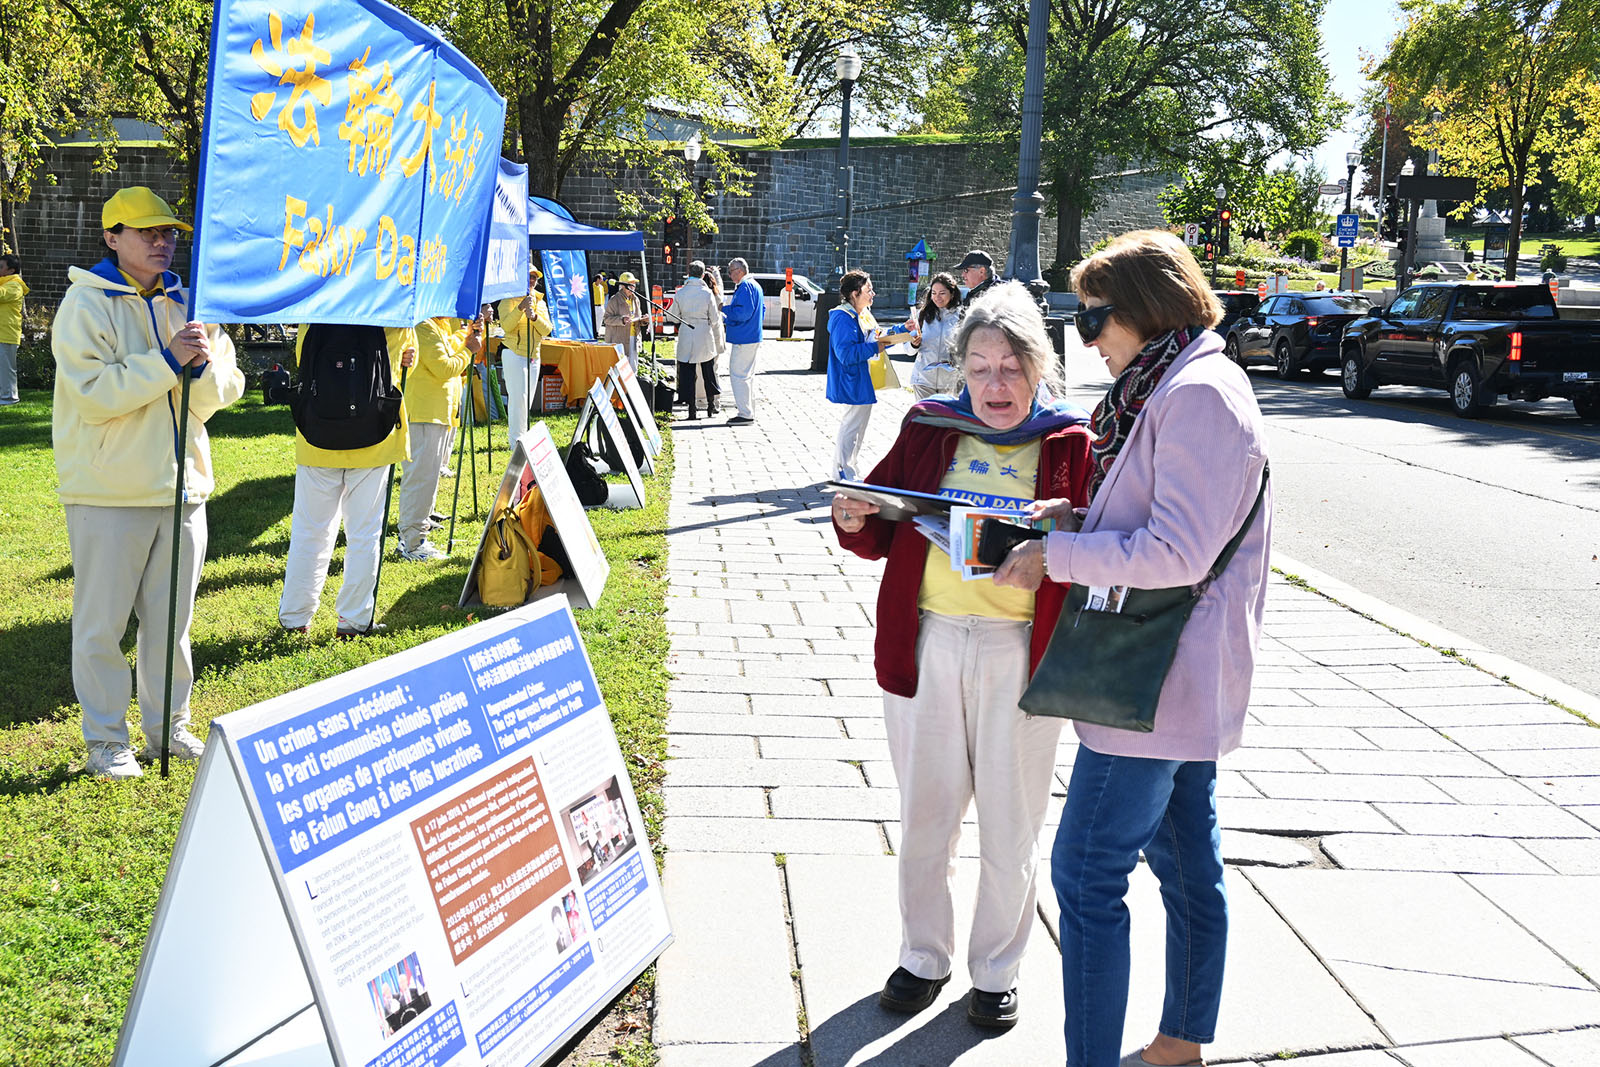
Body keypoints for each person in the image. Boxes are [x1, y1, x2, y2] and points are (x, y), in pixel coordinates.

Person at [992, 229, 1271, 1067]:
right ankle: (1179, 1043)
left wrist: (1058, 557)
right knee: (1188, 867)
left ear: (1149, 311)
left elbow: (1180, 550)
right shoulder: (1179, 383)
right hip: (1173, 675)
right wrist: (1074, 522)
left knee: (1083, 874)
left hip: (1155, 681)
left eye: (1094, 318)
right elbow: (1166, 526)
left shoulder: (1196, 395)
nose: (1085, 338)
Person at [832, 282, 1094, 1030]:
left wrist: (1061, 545)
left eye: (1011, 367)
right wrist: (851, 512)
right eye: (979, 367)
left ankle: (997, 969)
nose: (995, 384)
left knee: (1012, 825)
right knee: (926, 814)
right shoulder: (927, 426)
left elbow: (1099, 546)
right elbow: (877, 520)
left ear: (1039, 368)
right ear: (961, 369)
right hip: (930, 642)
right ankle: (923, 954)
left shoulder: (1071, 443)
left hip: (1023, 654)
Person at [51, 186, 246, 778]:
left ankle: (169, 727)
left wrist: (204, 361)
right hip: (108, 493)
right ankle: (107, 742)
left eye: (168, 233)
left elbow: (219, 396)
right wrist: (166, 361)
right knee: (102, 627)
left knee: (172, 625)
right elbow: (93, 396)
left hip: (183, 489)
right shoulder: (83, 306)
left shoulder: (190, 302)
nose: (163, 242)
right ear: (111, 238)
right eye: (147, 232)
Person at [278, 325, 417, 638]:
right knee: (364, 534)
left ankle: (294, 617)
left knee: (308, 532)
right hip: (374, 438)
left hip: (317, 438)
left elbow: (304, 358)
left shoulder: (312, 310)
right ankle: (353, 621)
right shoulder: (393, 312)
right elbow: (407, 359)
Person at [399, 317, 474, 560]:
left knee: (428, 477)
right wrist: (469, 350)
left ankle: (417, 530)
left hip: (438, 413)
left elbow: (449, 350)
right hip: (424, 413)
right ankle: (412, 542)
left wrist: (465, 337)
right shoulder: (423, 326)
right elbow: (444, 367)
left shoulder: (440, 325)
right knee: (420, 478)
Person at [825, 270, 898, 480]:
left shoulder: (862, 314)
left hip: (861, 379)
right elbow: (846, 354)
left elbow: (877, 335)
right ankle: (842, 471)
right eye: (868, 290)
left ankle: (849, 468)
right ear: (855, 294)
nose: (873, 293)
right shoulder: (843, 317)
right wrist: (876, 348)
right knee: (851, 428)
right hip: (851, 380)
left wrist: (903, 329)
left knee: (857, 428)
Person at [498, 265, 553, 449]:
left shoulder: (540, 301)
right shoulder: (508, 298)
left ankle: (523, 438)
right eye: (528, 277)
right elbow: (506, 326)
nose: (531, 280)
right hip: (514, 353)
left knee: (527, 401)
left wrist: (535, 317)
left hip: (534, 355)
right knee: (518, 399)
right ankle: (515, 442)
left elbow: (547, 330)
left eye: (534, 278)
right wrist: (520, 308)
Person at [672, 261, 725, 420]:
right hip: (704, 333)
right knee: (708, 371)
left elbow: (673, 315)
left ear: (689, 273)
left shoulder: (680, 293)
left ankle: (691, 410)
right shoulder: (707, 293)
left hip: (687, 332)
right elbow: (715, 319)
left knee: (688, 373)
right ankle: (710, 405)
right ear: (703, 274)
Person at [908, 271, 962, 400]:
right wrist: (913, 344)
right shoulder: (921, 315)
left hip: (950, 383)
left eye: (942, 293)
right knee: (925, 420)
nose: (937, 297)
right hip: (923, 380)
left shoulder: (962, 316)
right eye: (934, 293)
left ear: (952, 293)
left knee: (946, 420)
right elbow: (908, 351)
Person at [722, 257, 763, 424]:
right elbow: (761, 310)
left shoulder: (745, 286)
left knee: (739, 375)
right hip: (752, 335)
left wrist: (724, 311)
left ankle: (745, 413)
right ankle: (749, 410)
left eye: (731, 271)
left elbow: (743, 313)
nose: (730, 275)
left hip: (743, 337)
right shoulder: (755, 285)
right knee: (747, 376)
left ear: (739, 271)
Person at [602, 270, 647, 374]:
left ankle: (631, 390)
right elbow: (607, 319)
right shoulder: (614, 300)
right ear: (623, 286)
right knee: (621, 371)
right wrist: (621, 320)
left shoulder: (636, 299)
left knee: (633, 369)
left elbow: (637, 318)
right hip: (619, 340)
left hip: (634, 338)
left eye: (634, 284)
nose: (633, 287)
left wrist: (644, 320)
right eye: (631, 285)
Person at [0, 252, 26, 405]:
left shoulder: (15, 285)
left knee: (6, 368)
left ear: (11, 270)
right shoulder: (5, 283)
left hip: (7, 333)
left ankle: (10, 397)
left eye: (1, 267)